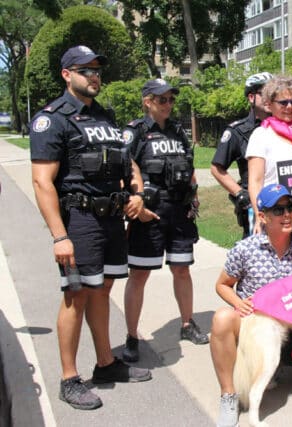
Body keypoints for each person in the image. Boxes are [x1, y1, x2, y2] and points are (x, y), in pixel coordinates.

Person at [30, 45, 151, 410]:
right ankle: (69, 378)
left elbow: (127, 164)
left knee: (103, 291)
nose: (94, 75)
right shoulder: (53, 119)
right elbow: (41, 182)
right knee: (77, 295)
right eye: (86, 70)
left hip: (112, 219)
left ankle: (105, 364)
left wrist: (139, 194)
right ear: (67, 75)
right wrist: (60, 236)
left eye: (97, 69)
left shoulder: (106, 117)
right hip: (79, 221)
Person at [210, 184, 292, 427]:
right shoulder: (245, 249)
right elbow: (222, 285)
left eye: (290, 208)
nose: (287, 215)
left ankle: (281, 364)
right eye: (278, 210)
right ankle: (229, 395)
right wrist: (238, 303)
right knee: (222, 319)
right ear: (262, 216)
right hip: (256, 328)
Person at [120, 78, 208, 363]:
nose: (168, 104)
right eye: (162, 99)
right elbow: (122, 170)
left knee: (182, 270)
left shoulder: (178, 132)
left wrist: (194, 197)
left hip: (179, 213)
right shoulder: (134, 132)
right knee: (140, 275)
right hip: (150, 214)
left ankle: (187, 324)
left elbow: (189, 166)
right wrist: (134, 204)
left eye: (171, 99)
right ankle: (132, 337)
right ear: (147, 101)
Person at [245, 74, 292, 238]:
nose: (289, 106)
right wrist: (260, 215)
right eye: (283, 102)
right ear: (269, 104)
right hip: (273, 212)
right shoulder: (261, 135)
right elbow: (255, 181)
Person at [211, 72, 273, 237]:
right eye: (264, 93)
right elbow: (217, 168)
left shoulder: (286, 127)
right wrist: (239, 193)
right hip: (256, 204)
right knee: (256, 255)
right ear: (251, 97)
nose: (270, 98)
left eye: (273, 93)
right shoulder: (238, 131)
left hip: (283, 202)